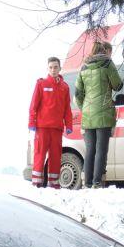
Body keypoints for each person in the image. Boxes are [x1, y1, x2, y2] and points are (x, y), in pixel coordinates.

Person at [75, 41, 122, 188]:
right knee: (101, 149)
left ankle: (87, 182)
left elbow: (77, 94)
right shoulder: (107, 64)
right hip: (104, 112)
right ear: (104, 51)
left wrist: (85, 108)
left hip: (88, 114)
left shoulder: (83, 67)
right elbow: (118, 85)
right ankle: (96, 182)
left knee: (90, 150)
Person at [28, 56, 73, 188]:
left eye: (55, 67)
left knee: (55, 156)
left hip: (57, 128)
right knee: (39, 154)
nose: (53, 70)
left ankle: (53, 183)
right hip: (42, 127)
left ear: (60, 68)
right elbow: (33, 105)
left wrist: (69, 125)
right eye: (51, 67)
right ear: (47, 69)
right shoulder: (41, 84)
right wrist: (32, 122)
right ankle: (37, 182)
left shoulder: (65, 87)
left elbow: (67, 108)